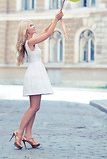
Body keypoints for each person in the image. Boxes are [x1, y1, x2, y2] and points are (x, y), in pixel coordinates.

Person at [9, 11, 64, 149]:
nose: (34, 26)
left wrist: (56, 20)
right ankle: (19, 133)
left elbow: (46, 30)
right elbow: (48, 34)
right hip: (35, 74)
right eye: (31, 25)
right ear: (26, 30)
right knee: (34, 107)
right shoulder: (30, 41)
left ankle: (28, 135)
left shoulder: (32, 40)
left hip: (36, 73)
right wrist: (56, 18)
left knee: (35, 108)